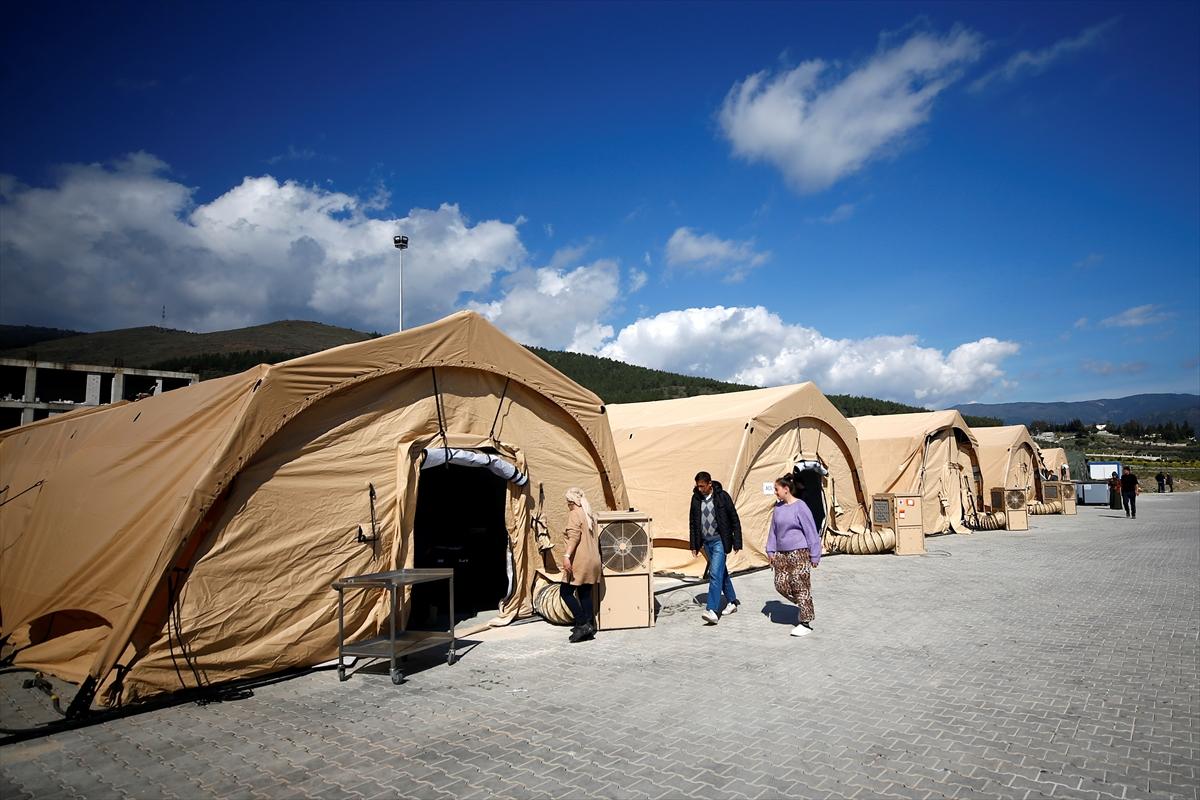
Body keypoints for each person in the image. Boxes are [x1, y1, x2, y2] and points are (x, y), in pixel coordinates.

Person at [766, 475, 821, 638]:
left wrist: (815, 554)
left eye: (777, 489)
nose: (775, 492)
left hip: (800, 552)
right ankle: (804, 605)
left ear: (786, 489)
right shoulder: (778, 508)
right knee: (780, 584)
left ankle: (806, 622)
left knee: (800, 585)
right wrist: (770, 550)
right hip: (781, 553)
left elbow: (811, 530)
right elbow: (773, 531)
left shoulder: (800, 507)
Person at [689, 471, 742, 624]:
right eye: (697, 486)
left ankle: (712, 609)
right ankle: (732, 602)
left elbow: (734, 519)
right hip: (706, 542)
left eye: (702, 486)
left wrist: (737, 541)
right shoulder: (696, 499)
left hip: (720, 541)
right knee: (721, 573)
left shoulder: (722, 497)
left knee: (714, 574)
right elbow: (693, 523)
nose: (699, 489)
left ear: (709, 484)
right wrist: (694, 544)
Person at [560, 487, 601, 643]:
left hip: (580, 560)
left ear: (571, 502)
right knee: (584, 593)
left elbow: (574, 537)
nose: (567, 505)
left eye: (567, 502)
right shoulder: (588, 514)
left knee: (565, 592)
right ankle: (589, 626)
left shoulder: (574, 514)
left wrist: (567, 556)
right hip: (593, 560)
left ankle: (582, 623)